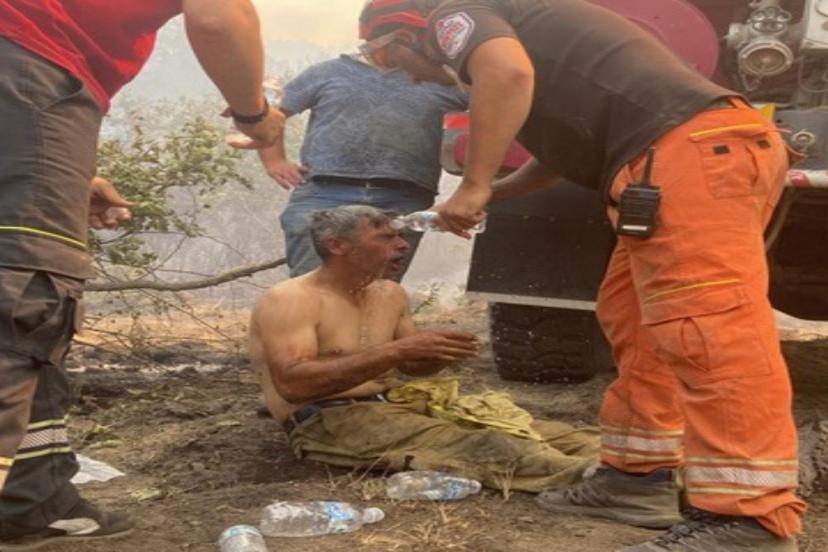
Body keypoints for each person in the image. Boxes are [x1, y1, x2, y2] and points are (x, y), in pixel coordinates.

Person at [356, 0, 805, 550]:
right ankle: (636, 478)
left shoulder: (453, 14)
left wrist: (472, 185)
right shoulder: (537, 41)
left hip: (691, 153)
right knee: (636, 319)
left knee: (708, 330)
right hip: (684, 152)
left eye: (382, 55)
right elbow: (563, 153)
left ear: (406, 31)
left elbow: (507, 73)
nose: (401, 74)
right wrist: (494, 193)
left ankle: (750, 519)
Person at [0, 0, 283, 547]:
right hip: (33, 63)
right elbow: (220, 18)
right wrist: (256, 116)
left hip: (26, 90)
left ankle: (32, 501)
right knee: (23, 298)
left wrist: (64, 171)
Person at [249, 205, 599, 493]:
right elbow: (294, 386)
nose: (402, 245)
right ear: (337, 245)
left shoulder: (389, 293)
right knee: (494, 447)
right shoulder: (291, 299)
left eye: (400, 236)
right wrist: (398, 351)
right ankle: (599, 484)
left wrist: (435, 355)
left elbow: (412, 367)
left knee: (562, 436)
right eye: (385, 238)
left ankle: (618, 467)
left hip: (399, 404)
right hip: (328, 419)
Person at [258, 26, 467, 278]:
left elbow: (495, 111)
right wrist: (274, 160)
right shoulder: (328, 72)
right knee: (311, 287)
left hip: (403, 198)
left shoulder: (446, 82)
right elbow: (271, 112)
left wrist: (473, 190)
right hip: (324, 192)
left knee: (380, 291)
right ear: (394, 39)